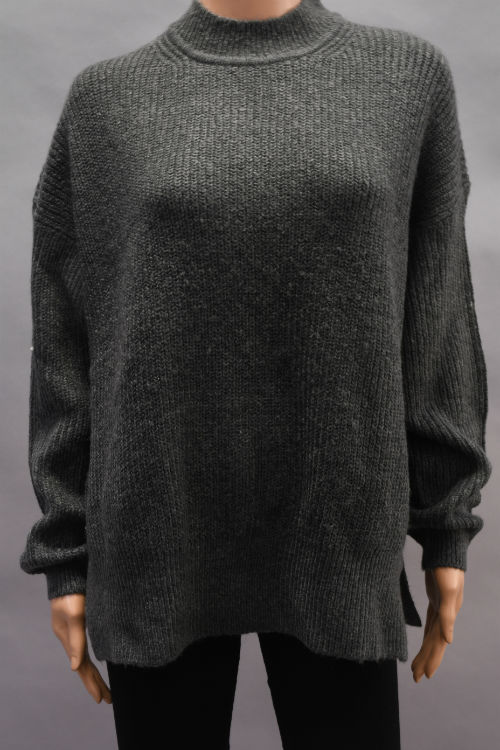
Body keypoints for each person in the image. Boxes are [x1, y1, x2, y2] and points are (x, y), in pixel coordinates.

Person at [19, 1, 492, 747]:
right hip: (159, 529)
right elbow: (66, 341)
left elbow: (436, 319)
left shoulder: (405, 79)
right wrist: (65, 552)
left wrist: (446, 526)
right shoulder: (106, 100)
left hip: (336, 527)